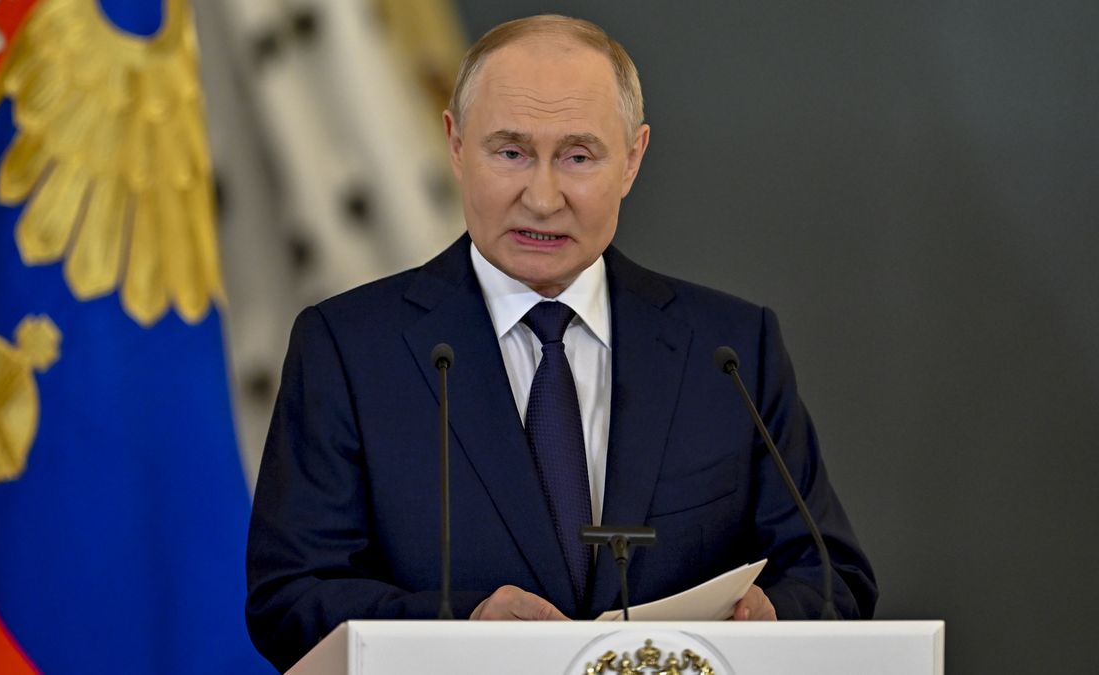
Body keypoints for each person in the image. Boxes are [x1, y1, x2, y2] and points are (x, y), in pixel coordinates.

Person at [246, 14, 877, 672]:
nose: (543, 198)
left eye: (577, 156)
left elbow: (832, 576)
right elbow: (290, 597)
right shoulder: (349, 349)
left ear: (631, 159)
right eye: (511, 153)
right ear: (455, 145)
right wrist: (461, 629)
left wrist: (773, 618)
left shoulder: (731, 351)